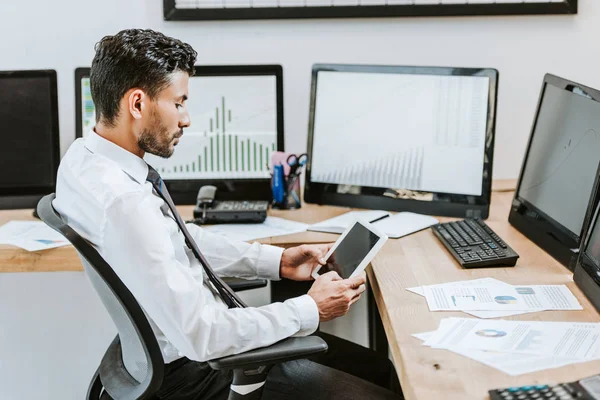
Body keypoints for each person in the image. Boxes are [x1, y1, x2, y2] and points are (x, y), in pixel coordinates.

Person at [54, 28, 402, 400]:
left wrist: (279, 262)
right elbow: (203, 337)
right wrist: (309, 308)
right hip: (196, 373)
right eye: (178, 102)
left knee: (381, 369)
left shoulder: (83, 158)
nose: (186, 119)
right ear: (137, 104)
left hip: (172, 353)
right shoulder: (123, 202)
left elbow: (179, 239)